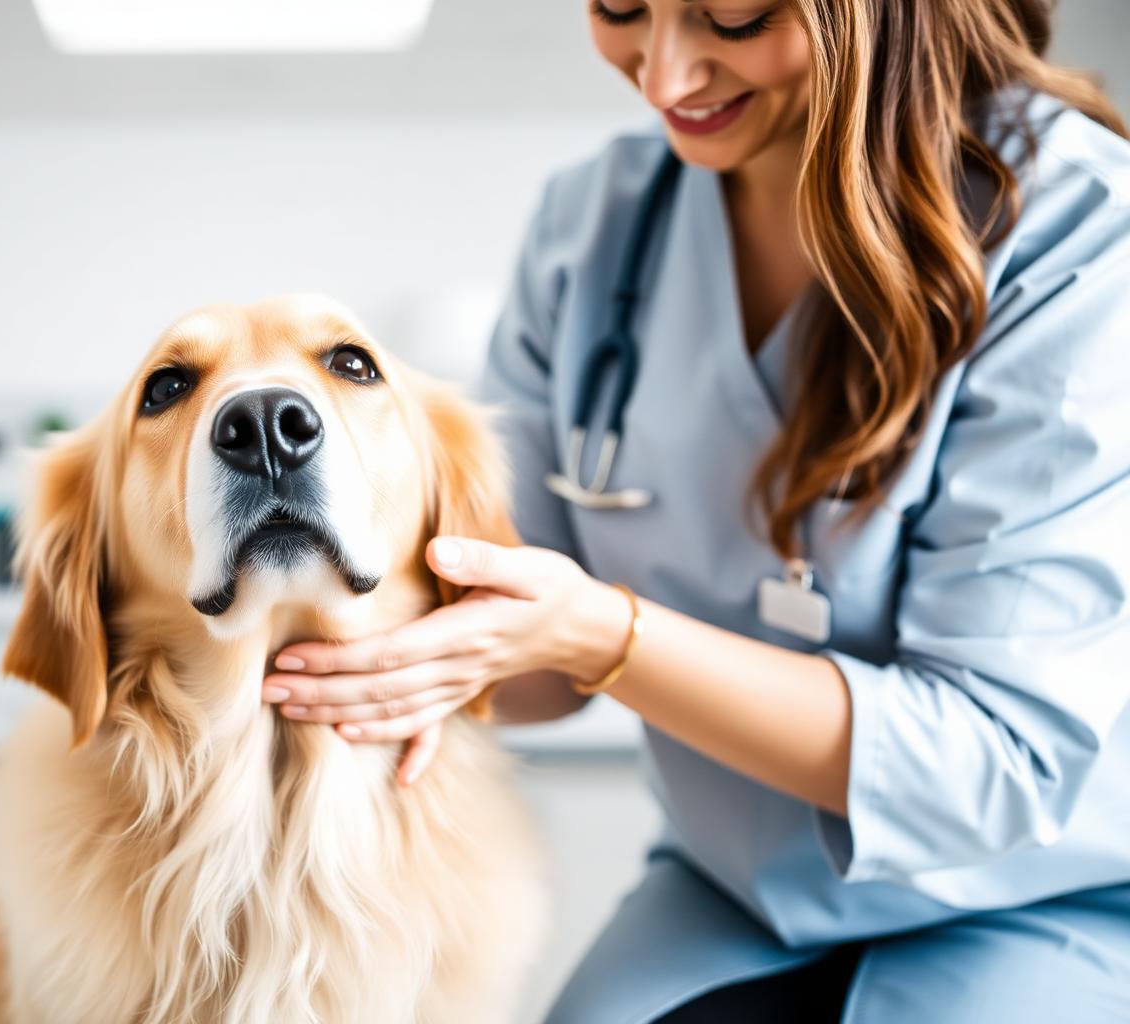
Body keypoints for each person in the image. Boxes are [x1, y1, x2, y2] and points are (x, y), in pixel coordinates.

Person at [257, 0, 1130, 1020]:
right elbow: (523, 660)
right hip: (732, 894)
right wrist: (353, 651)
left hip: (1041, 891)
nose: (666, 77)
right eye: (620, 7)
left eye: (735, 15)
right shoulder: (592, 230)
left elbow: (991, 764)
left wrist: (605, 635)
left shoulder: (1079, 230)